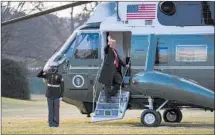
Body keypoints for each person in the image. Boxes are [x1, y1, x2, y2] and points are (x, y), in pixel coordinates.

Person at [99, 33, 129, 102]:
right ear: (110, 44)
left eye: (114, 44)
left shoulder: (115, 51)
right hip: (108, 69)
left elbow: (119, 60)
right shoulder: (107, 50)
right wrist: (109, 40)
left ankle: (112, 93)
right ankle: (107, 98)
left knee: (120, 81)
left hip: (115, 69)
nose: (114, 45)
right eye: (113, 44)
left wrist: (125, 65)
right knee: (107, 84)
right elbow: (106, 48)